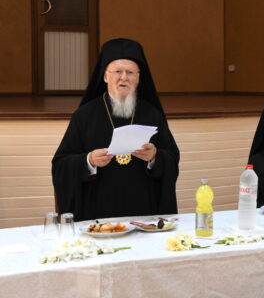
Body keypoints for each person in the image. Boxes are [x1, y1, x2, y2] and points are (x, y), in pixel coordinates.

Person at [52, 38, 179, 221]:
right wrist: (89, 160)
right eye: (118, 71)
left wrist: (154, 157)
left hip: (143, 211)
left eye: (130, 72)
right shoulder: (85, 115)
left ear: (138, 78)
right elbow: (61, 164)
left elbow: (172, 157)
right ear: (105, 76)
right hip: (97, 213)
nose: (124, 78)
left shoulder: (152, 113)